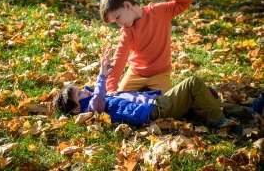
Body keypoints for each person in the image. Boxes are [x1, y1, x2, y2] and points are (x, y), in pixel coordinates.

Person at [54, 49, 264, 128]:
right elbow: (98, 102)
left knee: (199, 96)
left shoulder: (98, 100)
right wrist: (101, 76)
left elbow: (113, 98)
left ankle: (248, 112)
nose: (86, 91)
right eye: (80, 93)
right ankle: (220, 122)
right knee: (193, 83)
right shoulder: (91, 109)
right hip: (155, 110)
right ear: (75, 109)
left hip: (155, 103)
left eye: (82, 89)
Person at [99, 0, 192, 95]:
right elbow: (120, 57)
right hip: (135, 74)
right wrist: (111, 88)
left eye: (118, 17)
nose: (119, 24)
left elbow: (186, 0)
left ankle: (192, 94)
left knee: (169, 103)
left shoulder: (159, 12)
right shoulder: (128, 30)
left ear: (127, 5)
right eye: (115, 22)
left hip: (160, 74)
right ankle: (144, 92)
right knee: (120, 99)